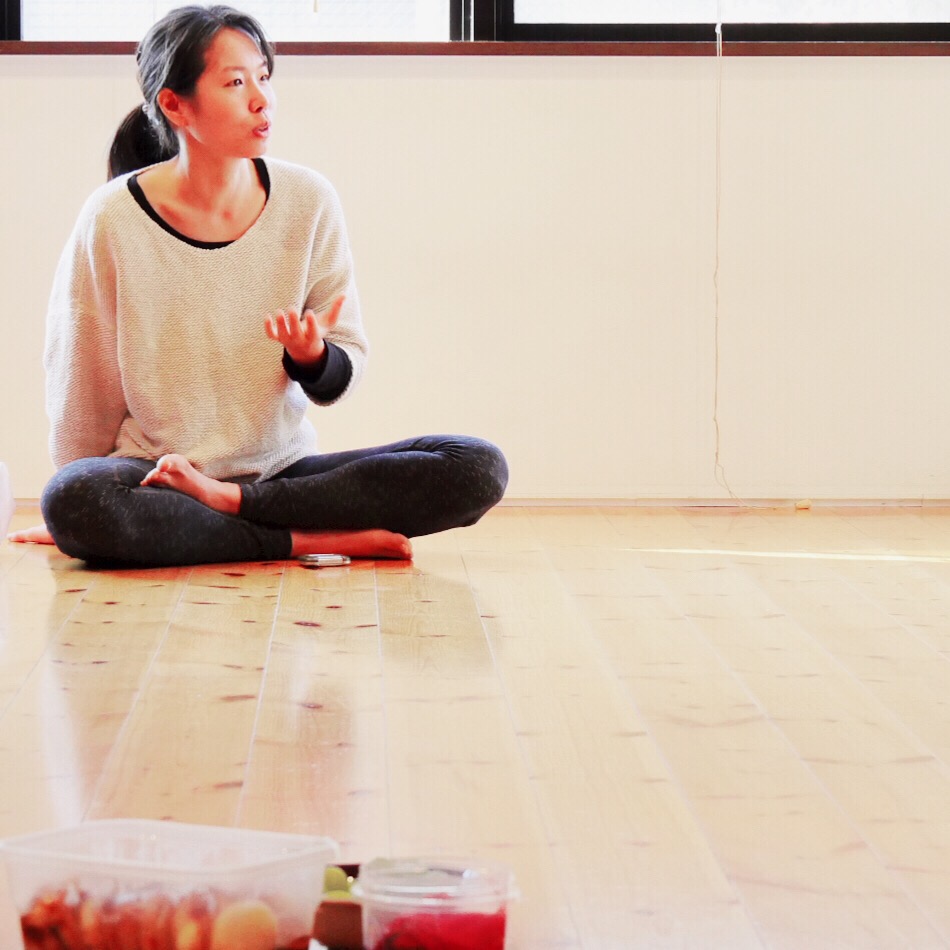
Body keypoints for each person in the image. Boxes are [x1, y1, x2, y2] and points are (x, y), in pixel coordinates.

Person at [8, 4, 507, 567]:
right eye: (235, 82)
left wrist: (313, 356)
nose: (261, 99)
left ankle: (236, 506)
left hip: (281, 473)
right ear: (174, 105)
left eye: (264, 77)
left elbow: (344, 361)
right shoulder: (112, 218)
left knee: (477, 466)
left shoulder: (309, 200)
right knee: (75, 498)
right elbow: (83, 372)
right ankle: (304, 540)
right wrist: (76, 495)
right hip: (159, 474)